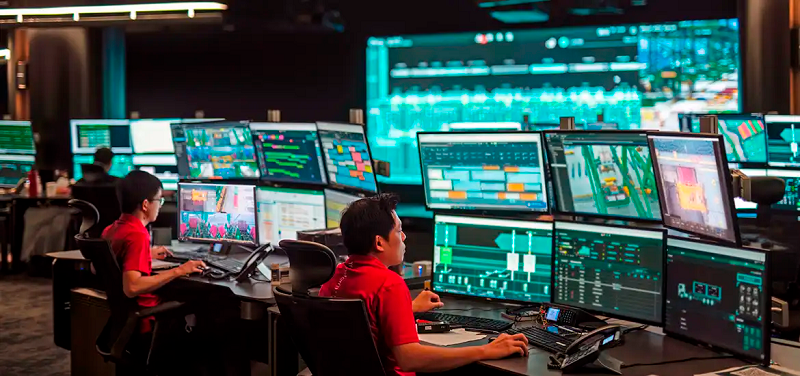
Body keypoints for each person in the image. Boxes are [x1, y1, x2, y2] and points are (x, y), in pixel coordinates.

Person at [319, 193, 529, 375]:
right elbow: (409, 359)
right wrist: (485, 351)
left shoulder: (335, 277)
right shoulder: (389, 284)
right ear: (379, 242)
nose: (404, 236)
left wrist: (405, 309)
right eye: (398, 231)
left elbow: (365, 326)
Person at [102, 171, 206, 332]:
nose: (160, 205)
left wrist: (145, 254)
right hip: (146, 319)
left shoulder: (111, 230)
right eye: (159, 200)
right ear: (145, 205)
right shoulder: (137, 235)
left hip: (122, 320)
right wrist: (179, 270)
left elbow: (106, 266)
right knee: (210, 302)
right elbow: (132, 287)